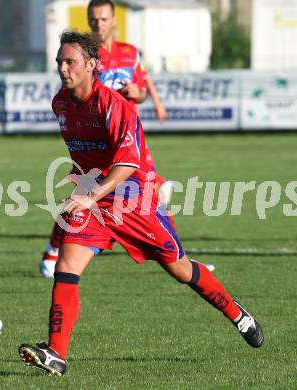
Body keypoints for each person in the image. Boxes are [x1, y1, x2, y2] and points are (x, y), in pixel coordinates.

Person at [19, 30, 263, 377]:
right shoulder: (60, 103)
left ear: (91, 65)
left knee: (181, 270)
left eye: (70, 61)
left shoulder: (112, 105)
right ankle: (56, 352)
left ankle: (237, 314)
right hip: (95, 204)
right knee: (66, 268)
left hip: (135, 203)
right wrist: (85, 193)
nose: (62, 67)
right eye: (59, 61)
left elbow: (128, 163)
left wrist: (91, 194)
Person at [39, 0, 189, 278]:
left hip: (127, 135)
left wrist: (138, 93)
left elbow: (142, 90)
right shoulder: (81, 56)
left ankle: (179, 259)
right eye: (94, 20)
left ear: (114, 21)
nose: (99, 24)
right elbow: (72, 96)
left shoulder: (129, 53)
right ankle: (53, 251)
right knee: (83, 194)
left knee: (150, 192)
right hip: (98, 137)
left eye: (104, 19)